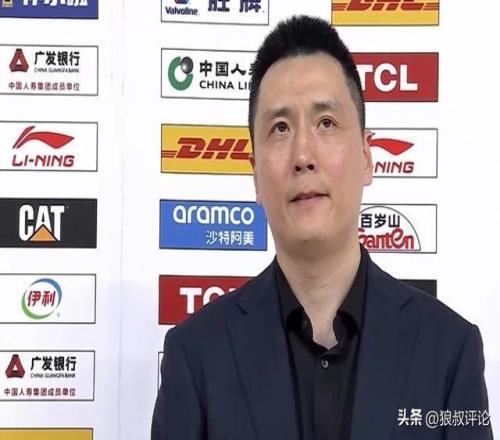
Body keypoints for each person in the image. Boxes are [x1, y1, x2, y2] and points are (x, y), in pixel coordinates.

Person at [152, 15, 492, 439]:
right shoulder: (196, 355)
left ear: (367, 158)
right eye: (280, 128)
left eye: (326, 123)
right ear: (255, 174)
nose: (303, 155)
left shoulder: (449, 350)